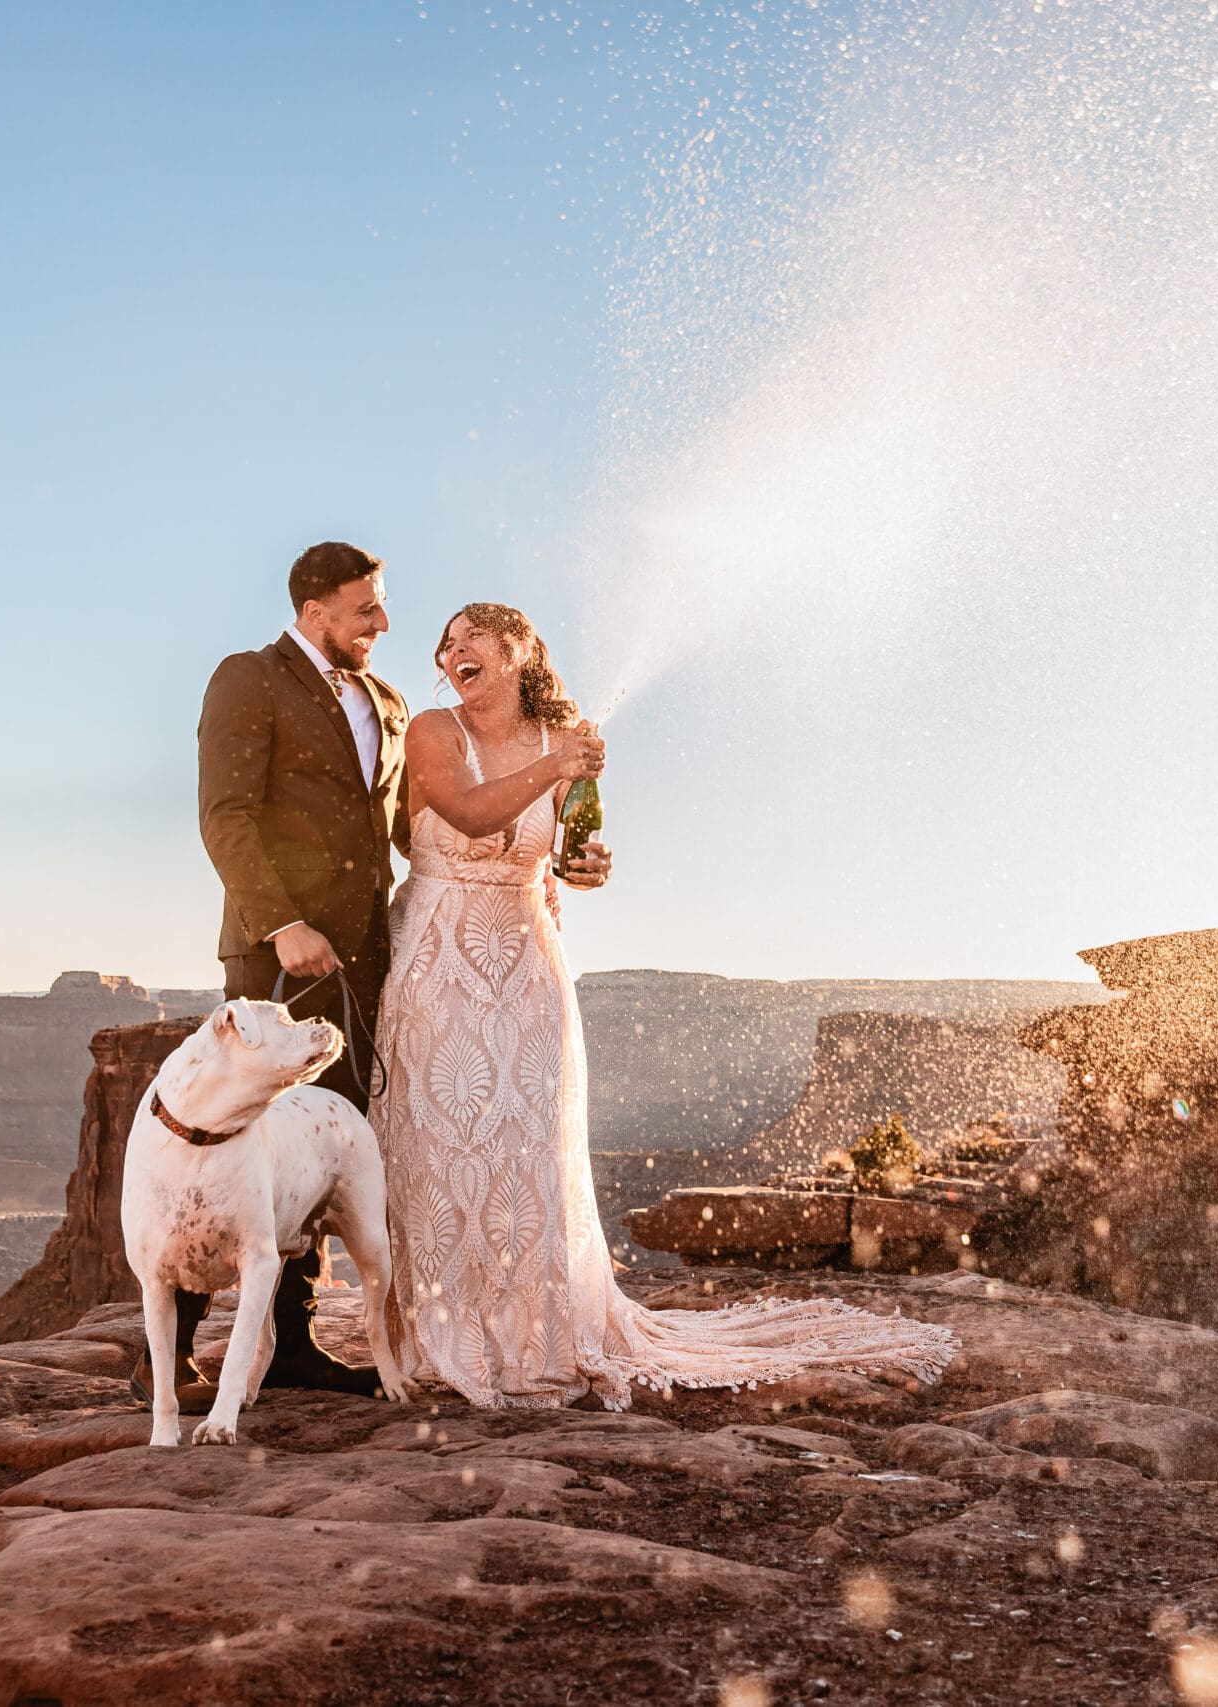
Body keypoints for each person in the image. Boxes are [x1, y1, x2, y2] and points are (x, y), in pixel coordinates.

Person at [369, 602, 958, 1407]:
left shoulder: (559, 740)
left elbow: (565, 846)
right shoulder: (435, 729)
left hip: (527, 958)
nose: (451, 648)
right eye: (446, 642)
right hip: (441, 954)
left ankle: (530, 1333)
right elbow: (470, 813)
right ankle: (445, 1329)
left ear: (518, 651)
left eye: (472, 633)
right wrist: (560, 765)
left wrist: (584, 866)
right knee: (441, 1140)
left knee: (525, 1146)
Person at [157, 540, 409, 1399]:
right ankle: (171, 1356)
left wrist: (546, 858)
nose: (382, 622)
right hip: (278, 956)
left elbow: (406, 828)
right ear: (314, 612)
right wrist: (284, 922)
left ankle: (292, 1346)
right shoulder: (249, 679)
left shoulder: (388, 702)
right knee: (227, 1144)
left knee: (318, 1145)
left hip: (362, 961)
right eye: (365, 608)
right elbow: (224, 816)